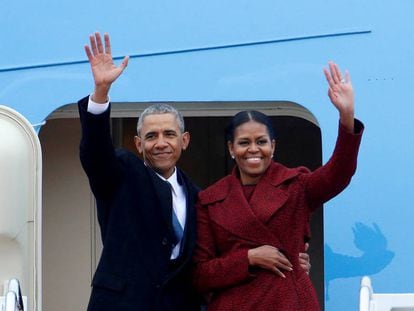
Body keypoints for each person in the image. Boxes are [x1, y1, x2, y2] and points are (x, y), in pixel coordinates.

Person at [78, 32, 311, 310]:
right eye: (151, 136)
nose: (161, 143)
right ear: (139, 144)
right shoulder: (121, 174)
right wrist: (100, 94)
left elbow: (220, 258)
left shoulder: (201, 197)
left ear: (184, 141)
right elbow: (96, 155)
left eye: (169, 134)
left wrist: (292, 260)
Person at [192, 62, 364, 310]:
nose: (253, 149)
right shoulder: (210, 200)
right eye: (244, 142)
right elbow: (200, 275)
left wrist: (346, 117)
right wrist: (249, 258)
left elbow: (339, 173)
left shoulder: (296, 185)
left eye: (261, 141)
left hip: (289, 301)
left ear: (273, 146)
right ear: (231, 148)